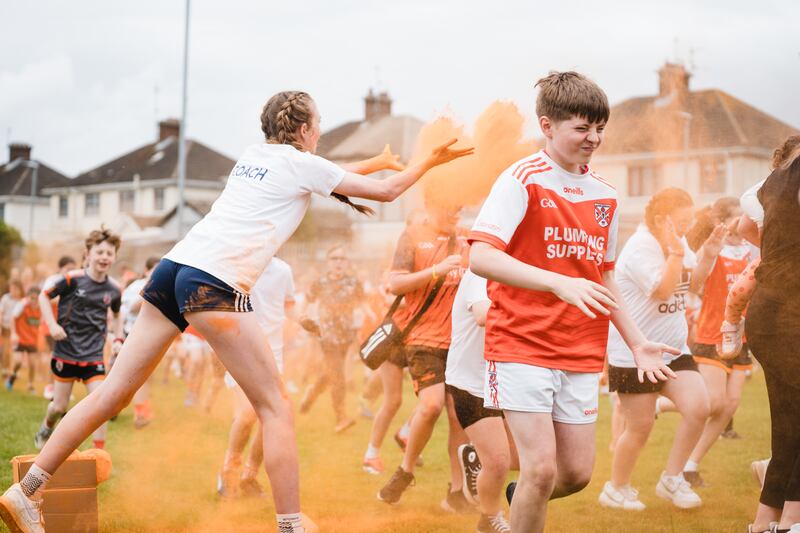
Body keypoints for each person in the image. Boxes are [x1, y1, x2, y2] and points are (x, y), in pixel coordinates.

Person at [0, 90, 472, 533]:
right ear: (305, 130)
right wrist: (427, 160)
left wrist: (379, 161)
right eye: (319, 125)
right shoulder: (299, 164)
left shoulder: (254, 155)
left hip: (172, 269)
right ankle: (291, 523)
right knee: (276, 406)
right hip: (211, 282)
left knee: (111, 396)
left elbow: (322, 170)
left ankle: (28, 490)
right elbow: (384, 192)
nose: (320, 133)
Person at [467, 71, 678, 533]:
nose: (594, 138)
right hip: (521, 344)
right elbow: (480, 257)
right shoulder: (521, 179)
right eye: (582, 128)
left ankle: (517, 500)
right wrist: (556, 284)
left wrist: (638, 341)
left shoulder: (605, 193)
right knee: (540, 469)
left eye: (600, 128)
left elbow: (603, 277)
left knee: (576, 475)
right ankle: (524, 497)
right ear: (547, 125)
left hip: (581, 351)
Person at [601, 187, 722, 511]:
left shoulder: (677, 242)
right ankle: (616, 488)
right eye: (682, 220)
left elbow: (692, 285)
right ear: (660, 219)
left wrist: (708, 253)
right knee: (639, 428)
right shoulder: (640, 247)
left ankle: (672, 478)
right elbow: (663, 290)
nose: (687, 227)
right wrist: (677, 254)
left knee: (699, 407)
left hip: (673, 349)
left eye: (690, 220)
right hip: (635, 353)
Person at [376, 199, 473, 513]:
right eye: (451, 203)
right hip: (423, 340)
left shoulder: (471, 238)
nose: (456, 210)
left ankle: (456, 493)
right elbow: (394, 283)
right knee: (431, 406)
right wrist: (436, 271)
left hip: (461, 342)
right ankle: (405, 471)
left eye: (459, 205)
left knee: (460, 418)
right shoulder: (414, 235)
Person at [745, 142, 800, 533]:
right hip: (788, 316)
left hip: (768, 312)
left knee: (788, 430)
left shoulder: (773, 181)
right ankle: (791, 524)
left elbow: (748, 210)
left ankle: (765, 524)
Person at [681, 198, 753, 487]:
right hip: (712, 333)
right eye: (737, 216)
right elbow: (695, 287)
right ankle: (661, 403)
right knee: (714, 402)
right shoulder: (713, 249)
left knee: (729, 405)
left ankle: (690, 465)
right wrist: (708, 255)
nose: (742, 221)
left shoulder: (751, 249)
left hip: (741, 336)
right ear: (723, 221)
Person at [33, 228, 124, 452]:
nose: (104, 257)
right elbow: (43, 296)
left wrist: (118, 338)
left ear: (114, 257)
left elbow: (118, 313)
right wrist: (52, 325)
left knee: (102, 406)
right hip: (66, 352)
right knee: (59, 406)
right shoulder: (72, 279)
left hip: (93, 355)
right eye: (99, 252)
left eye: (109, 253)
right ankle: (47, 426)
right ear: (88, 254)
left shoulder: (114, 288)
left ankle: (98, 453)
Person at [218, 256, 296, 498]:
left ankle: (249, 477)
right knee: (247, 413)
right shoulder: (236, 264)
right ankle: (228, 472)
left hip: (273, 355)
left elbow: (289, 308)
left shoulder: (284, 270)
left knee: (272, 418)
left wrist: (298, 325)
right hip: (240, 351)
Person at [445, 269, 516, 532]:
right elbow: (483, 315)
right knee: (498, 461)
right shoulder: (481, 272)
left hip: (506, 378)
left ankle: (475, 456)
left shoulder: (526, 271)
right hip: (471, 383)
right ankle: (489, 519)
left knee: (529, 461)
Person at [299, 245, 370, 432]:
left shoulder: (354, 283)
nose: (338, 262)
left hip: (346, 336)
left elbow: (364, 305)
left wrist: (372, 320)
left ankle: (310, 396)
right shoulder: (320, 282)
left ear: (347, 262)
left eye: (342, 259)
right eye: (334, 259)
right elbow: (307, 301)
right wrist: (303, 317)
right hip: (326, 336)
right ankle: (341, 418)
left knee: (329, 374)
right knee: (338, 375)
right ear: (328, 262)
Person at [119, 257, 160, 428]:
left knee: (145, 377)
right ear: (146, 270)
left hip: (152, 337)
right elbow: (130, 308)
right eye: (154, 270)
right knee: (132, 377)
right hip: (131, 335)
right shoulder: (136, 286)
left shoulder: (165, 287)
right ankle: (138, 412)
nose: (158, 274)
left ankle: (141, 410)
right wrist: (151, 291)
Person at [40, 256, 78, 400]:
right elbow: (46, 297)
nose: (71, 272)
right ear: (60, 268)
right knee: (54, 355)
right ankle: (49, 387)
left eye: (73, 269)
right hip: (51, 324)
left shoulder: (73, 281)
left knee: (65, 357)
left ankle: (60, 389)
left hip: (67, 325)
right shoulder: (53, 280)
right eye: (68, 269)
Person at [6, 286, 42, 392]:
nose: (34, 301)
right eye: (32, 298)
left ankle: (30, 385)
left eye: (36, 299)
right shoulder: (22, 305)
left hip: (32, 340)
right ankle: (12, 376)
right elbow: (13, 318)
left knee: (32, 363)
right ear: (28, 297)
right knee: (18, 362)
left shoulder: (41, 307)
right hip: (20, 339)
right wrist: (13, 333)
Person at [0, 280, 24, 378]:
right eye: (11, 288)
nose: (13, 291)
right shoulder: (6, 298)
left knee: (15, 351)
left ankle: (14, 371)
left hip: (18, 330)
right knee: (6, 350)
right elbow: (1, 312)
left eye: (15, 289)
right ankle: (5, 369)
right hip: (6, 327)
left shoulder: (22, 300)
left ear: (19, 290)